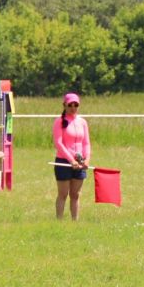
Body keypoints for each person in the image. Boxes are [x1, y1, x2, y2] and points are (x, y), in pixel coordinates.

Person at [52, 92, 91, 220]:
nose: (73, 107)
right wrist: (71, 160)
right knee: (63, 194)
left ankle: (75, 221)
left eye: (76, 105)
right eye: (70, 105)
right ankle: (59, 221)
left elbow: (86, 143)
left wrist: (86, 160)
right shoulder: (59, 121)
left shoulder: (83, 122)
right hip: (63, 162)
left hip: (80, 163)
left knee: (76, 195)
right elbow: (58, 143)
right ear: (64, 105)